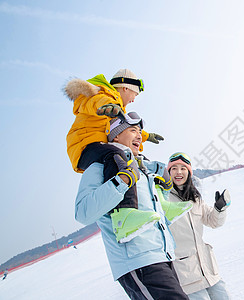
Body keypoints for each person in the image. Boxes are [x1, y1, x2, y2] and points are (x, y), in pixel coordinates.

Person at [75, 113, 189, 299]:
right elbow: (83, 213)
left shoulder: (141, 167)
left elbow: (152, 210)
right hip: (138, 260)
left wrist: (165, 187)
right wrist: (121, 181)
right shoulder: (101, 166)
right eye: (133, 130)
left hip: (162, 255)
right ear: (116, 135)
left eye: (140, 131)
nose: (139, 136)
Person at [64, 69, 166, 243]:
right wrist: (107, 108)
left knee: (136, 159)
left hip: (101, 146)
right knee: (117, 154)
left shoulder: (119, 106)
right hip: (85, 145)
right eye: (135, 93)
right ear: (126, 88)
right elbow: (96, 102)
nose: (134, 99)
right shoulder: (102, 94)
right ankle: (123, 215)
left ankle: (163, 205)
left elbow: (124, 130)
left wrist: (146, 136)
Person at [166, 152, 231, 299]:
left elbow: (213, 221)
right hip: (186, 275)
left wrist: (219, 208)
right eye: (174, 168)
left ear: (189, 173)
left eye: (183, 168)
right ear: (168, 172)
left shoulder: (194, 198)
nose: (178, 172)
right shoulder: (163, 198)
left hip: (208, 270)